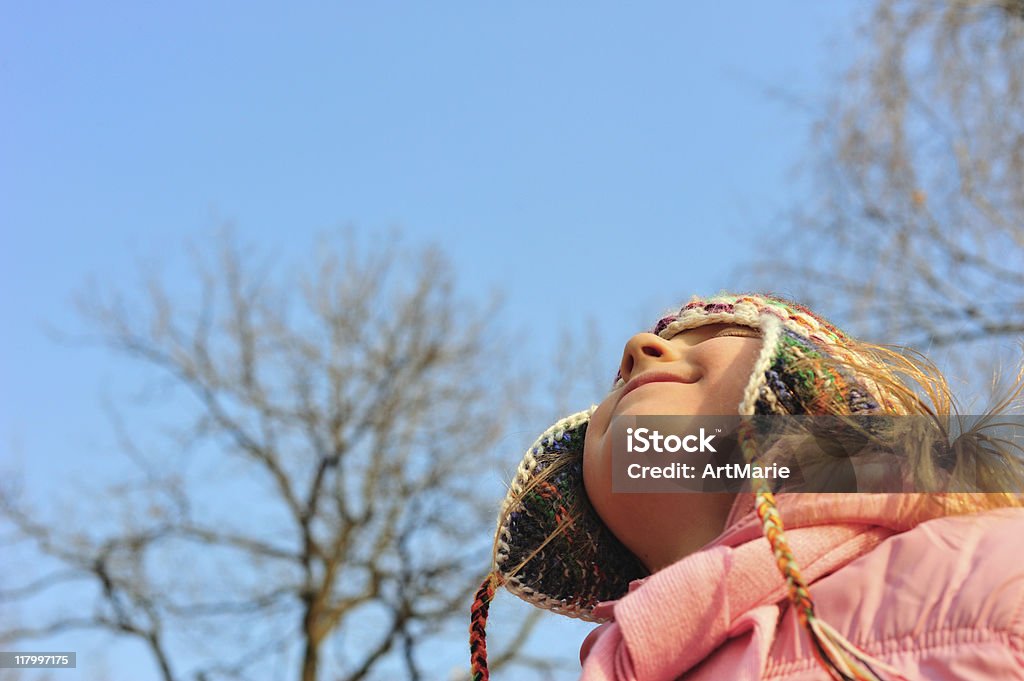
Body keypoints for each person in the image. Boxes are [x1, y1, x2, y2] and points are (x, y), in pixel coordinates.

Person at [469, 292, 1024, 681]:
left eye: (720, 333)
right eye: (615, 386)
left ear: (811, 390)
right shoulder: (613, 663)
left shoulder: (993, 566)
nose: (639, 346)